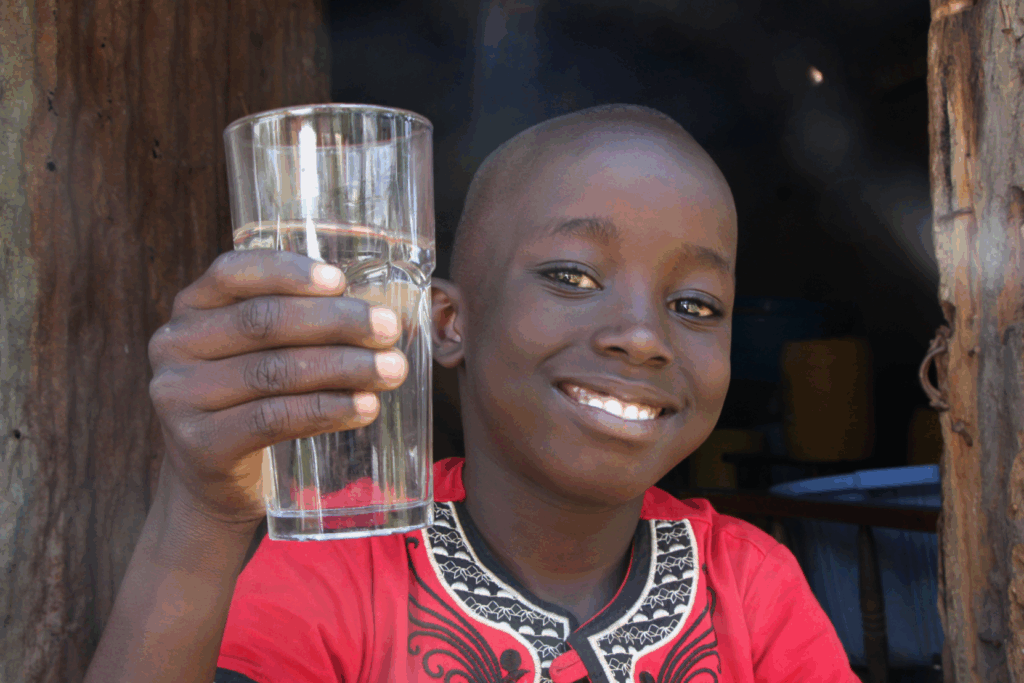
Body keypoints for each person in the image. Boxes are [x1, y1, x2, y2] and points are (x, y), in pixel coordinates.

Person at [84, 105, 859, 683]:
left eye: (693, 305)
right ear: (447, 322)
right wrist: (201, 514)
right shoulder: (343, 563)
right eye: (572, 277)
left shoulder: (749, 582)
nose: (643, 335)